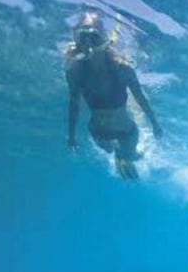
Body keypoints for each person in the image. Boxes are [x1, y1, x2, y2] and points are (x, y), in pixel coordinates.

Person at [65, 10, 162, 179]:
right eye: (83, 37)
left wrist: (155, 123)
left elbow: (140, 98)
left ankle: (133, 154)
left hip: (126, 131)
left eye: (94, 37)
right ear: (76, 39)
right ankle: (119, 153)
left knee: (133, 157)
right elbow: (74, 104)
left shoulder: (122, 68)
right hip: (98, 133)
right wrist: (71, 136)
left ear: (103, 39)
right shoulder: (75, 71)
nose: (88, 43)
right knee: (109, 149)